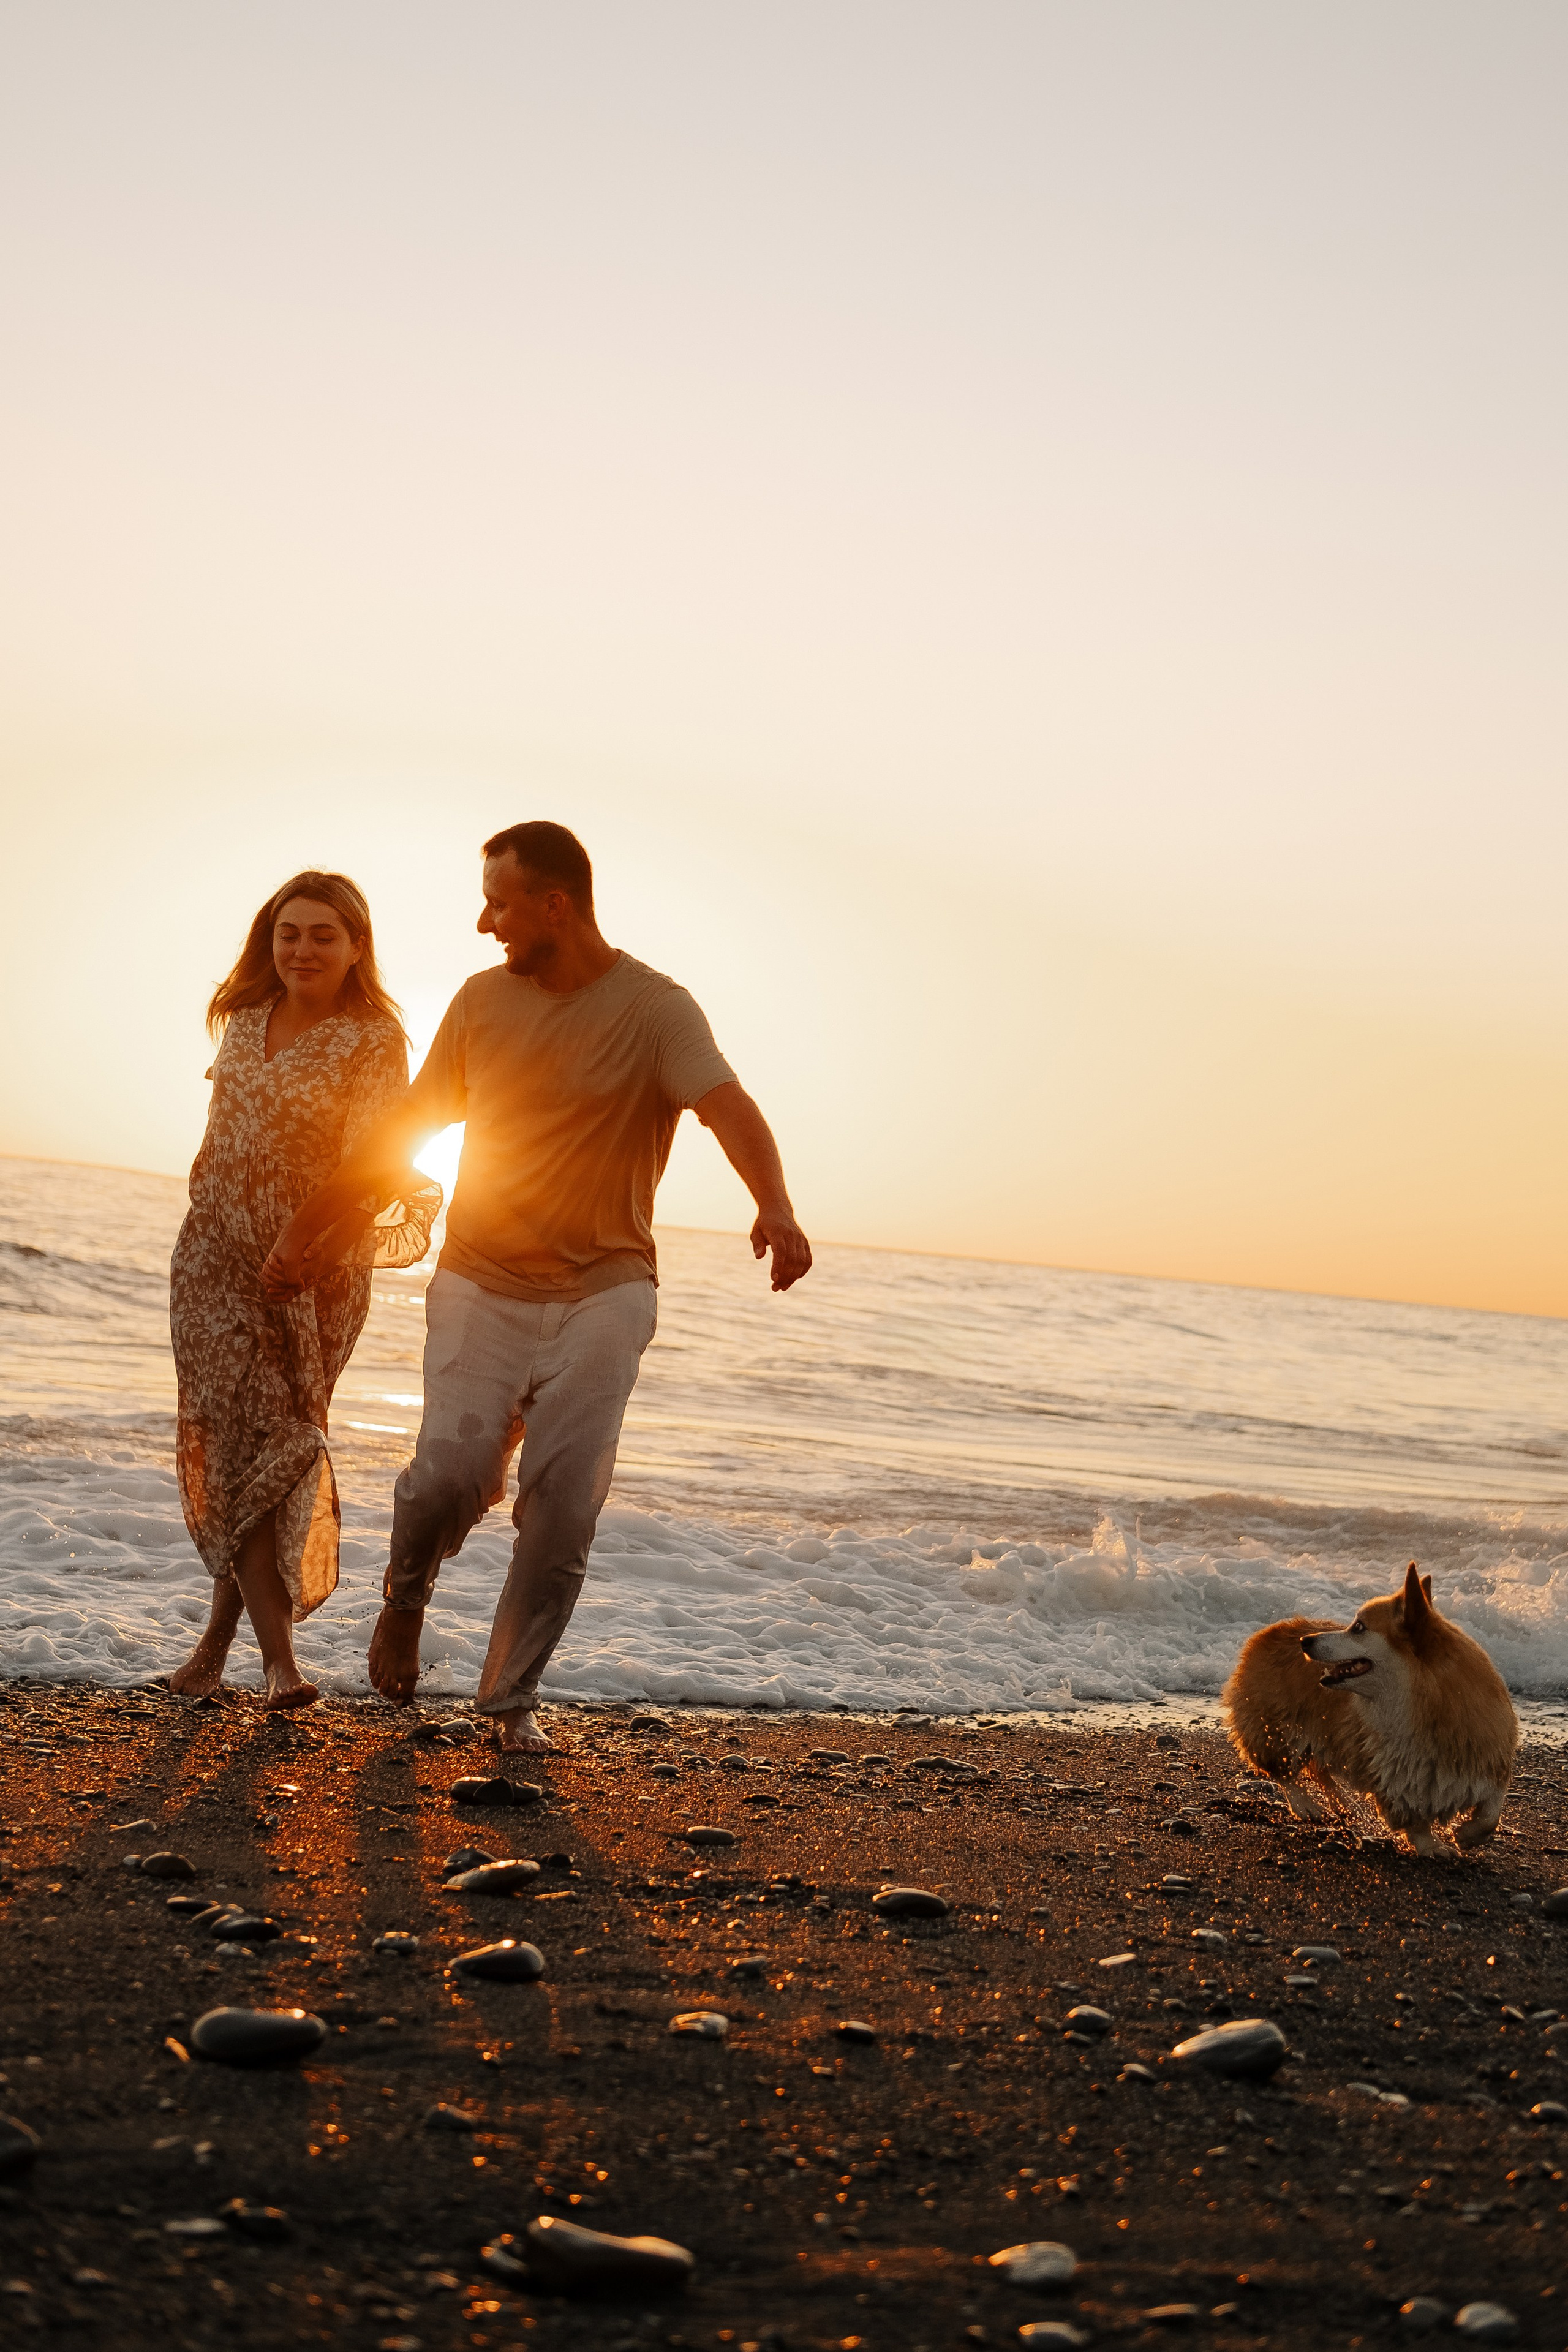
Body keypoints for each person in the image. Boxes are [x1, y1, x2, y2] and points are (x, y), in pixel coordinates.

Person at [260, 821, 811, 1751]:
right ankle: (406, 1599)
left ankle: (511, 1700)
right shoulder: (481, 1004)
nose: (485, 924)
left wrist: (777, 1206)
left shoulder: (656, 1009)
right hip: (481, 1278)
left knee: (563, 1499)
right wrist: (310, 1231)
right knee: (447, 1477)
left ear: (555, 905)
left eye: (500, 903)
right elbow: (402, 1134)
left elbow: (728, 1107)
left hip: (607, 1288)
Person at [168, 872, 440, 1709]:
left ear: (356, 947)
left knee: (280, 1447)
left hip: (309, 1270)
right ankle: (239, 1654)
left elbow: (374, 1161)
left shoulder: (373, 1041)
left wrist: (305, 1247)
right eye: (290, 932)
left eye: (324, 934)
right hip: (212, 1264)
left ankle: (257, 1655)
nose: (304, 949)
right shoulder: (244, 1020)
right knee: (236, 1445)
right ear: (269, 939)